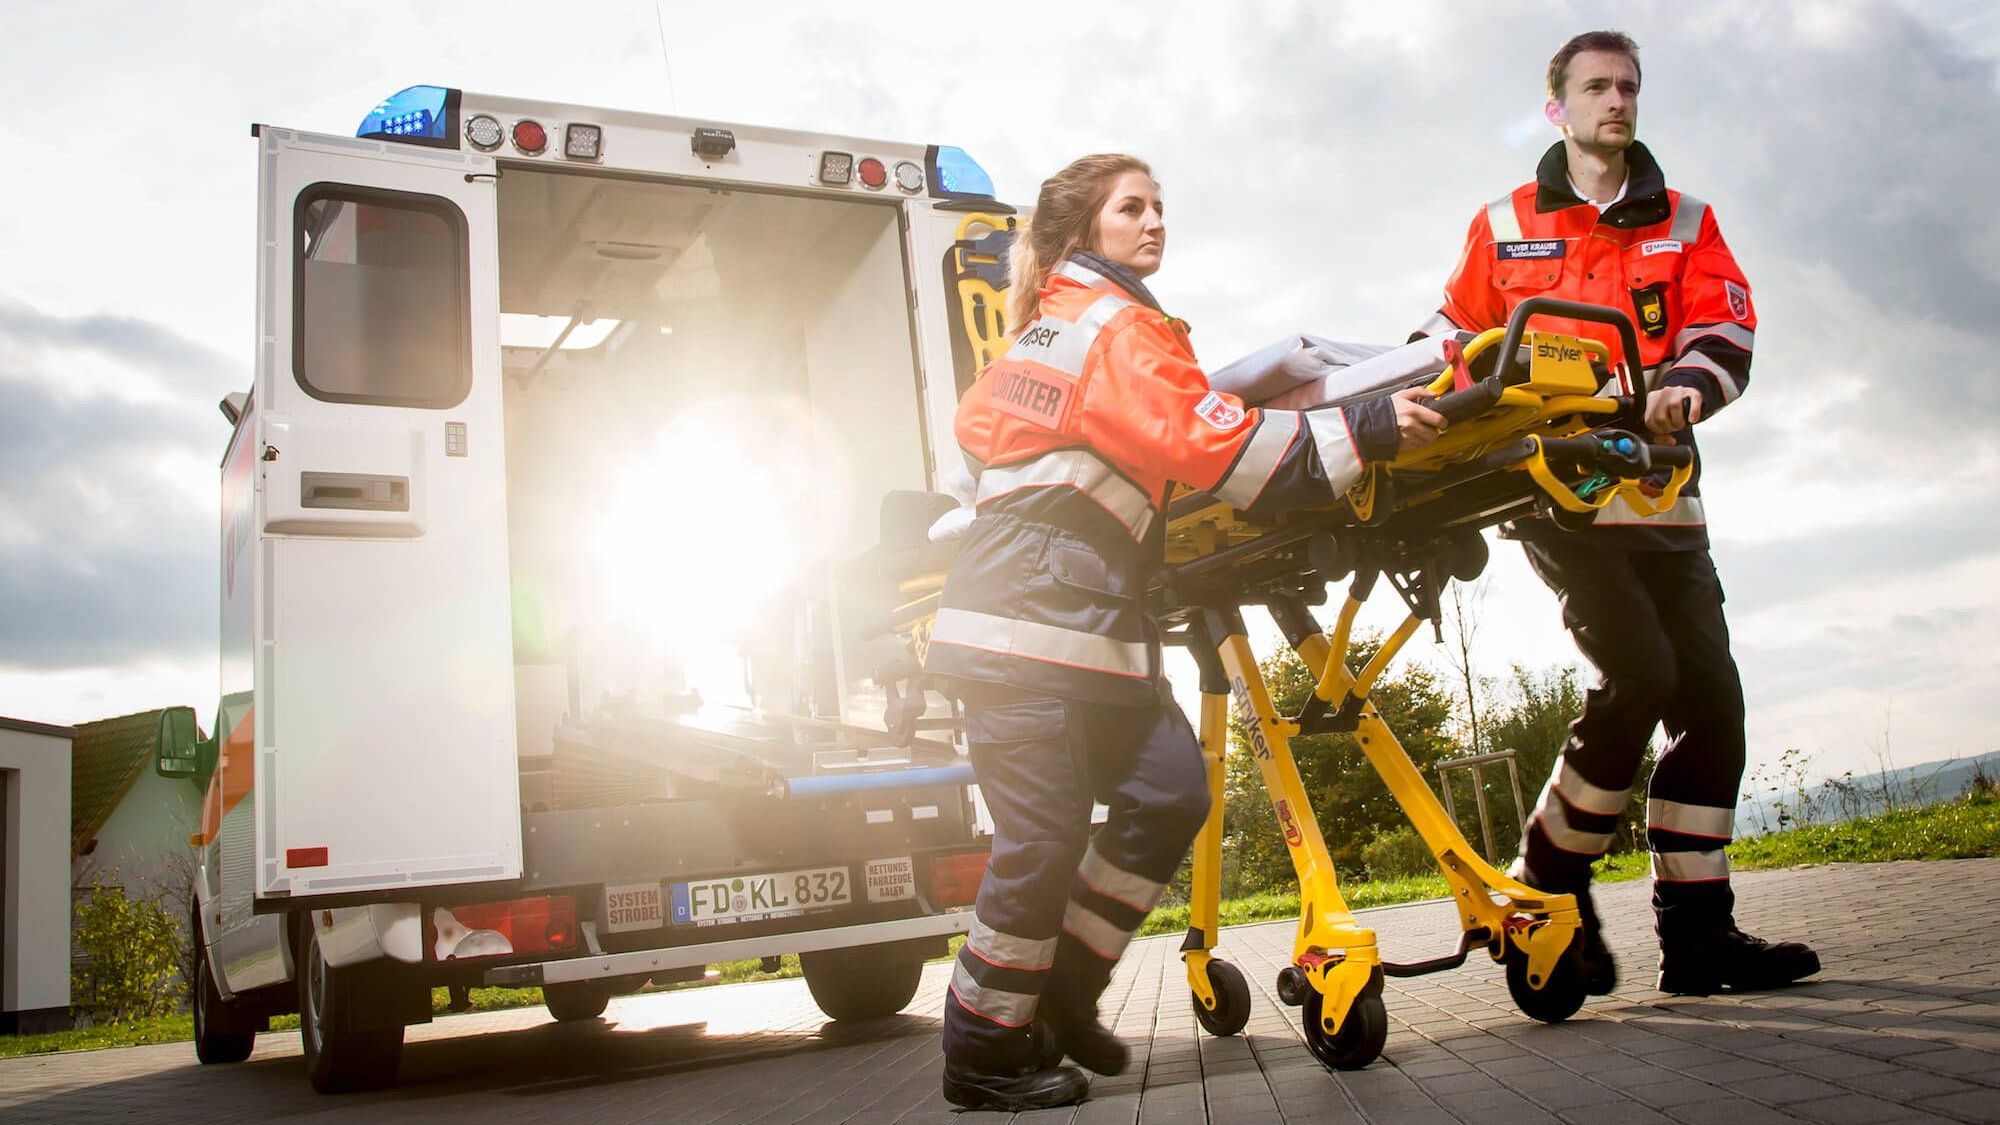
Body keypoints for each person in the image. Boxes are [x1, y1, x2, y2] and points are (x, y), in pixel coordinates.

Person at [927, 153, 1442, 1110]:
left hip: (1081, 619)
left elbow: (1004, 429)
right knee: (1038, 843)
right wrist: (1365, 425)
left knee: (1167, 789)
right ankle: (983, 1047)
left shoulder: (1065, 325)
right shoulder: (1116, 325)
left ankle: (1062, 999)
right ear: (1086, 232)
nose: (1156, 221)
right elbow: (1216, 448)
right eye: (1133, 208)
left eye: (1161, 206)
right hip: (1023, 623)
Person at [1415, 31, 1819, 997]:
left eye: (1629, 86)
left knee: (1713, 704)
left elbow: (1726, 324)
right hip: (1557, 495)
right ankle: (1549, 878)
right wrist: (1421, 410)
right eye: (1596, 87)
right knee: (1638, 675)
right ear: (1556, 107)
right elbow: (1447, 336)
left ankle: (1698, 938)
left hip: (1667, 495)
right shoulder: (1504, 221)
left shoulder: (1687, 219)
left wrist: (1688, 385)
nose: (1617, 100)